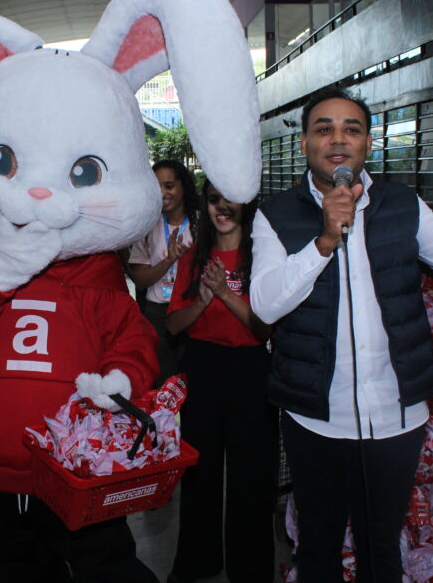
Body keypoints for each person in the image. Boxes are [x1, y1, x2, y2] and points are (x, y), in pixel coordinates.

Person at [249, 87, 433, 582]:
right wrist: (323, 241)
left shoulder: (403, 205)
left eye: (351, 129)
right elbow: (266, 304)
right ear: (304, 145)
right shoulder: (275, 216)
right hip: (315, 418)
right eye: (324, 128)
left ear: (369, 144)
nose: (338, 139)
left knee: (381, 548)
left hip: (397, 416)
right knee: (318, 546)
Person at [165, 181, 276, 583]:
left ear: (247, 205)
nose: (222, 207)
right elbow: (174, 324)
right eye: (214, 199)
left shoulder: (263, 255)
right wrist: (202, 300)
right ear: (205, 205)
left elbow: (264, 330)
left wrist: (225, 295)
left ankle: (251, 570)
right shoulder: (192, 258)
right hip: (204, 368)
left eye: (230, 200)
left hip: (250, 370)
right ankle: (199, 559)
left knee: (253, 476)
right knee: (199, 473)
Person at [128, 159, 198, 385]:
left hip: (194, 313)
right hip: (157, 315)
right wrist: (168, 260)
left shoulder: (202, 223)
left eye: (169, 185)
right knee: (160, 387)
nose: (162, 192)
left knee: (195, 385)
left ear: (183, 186)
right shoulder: (147, 225)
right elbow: (139, 280)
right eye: (156, 186)